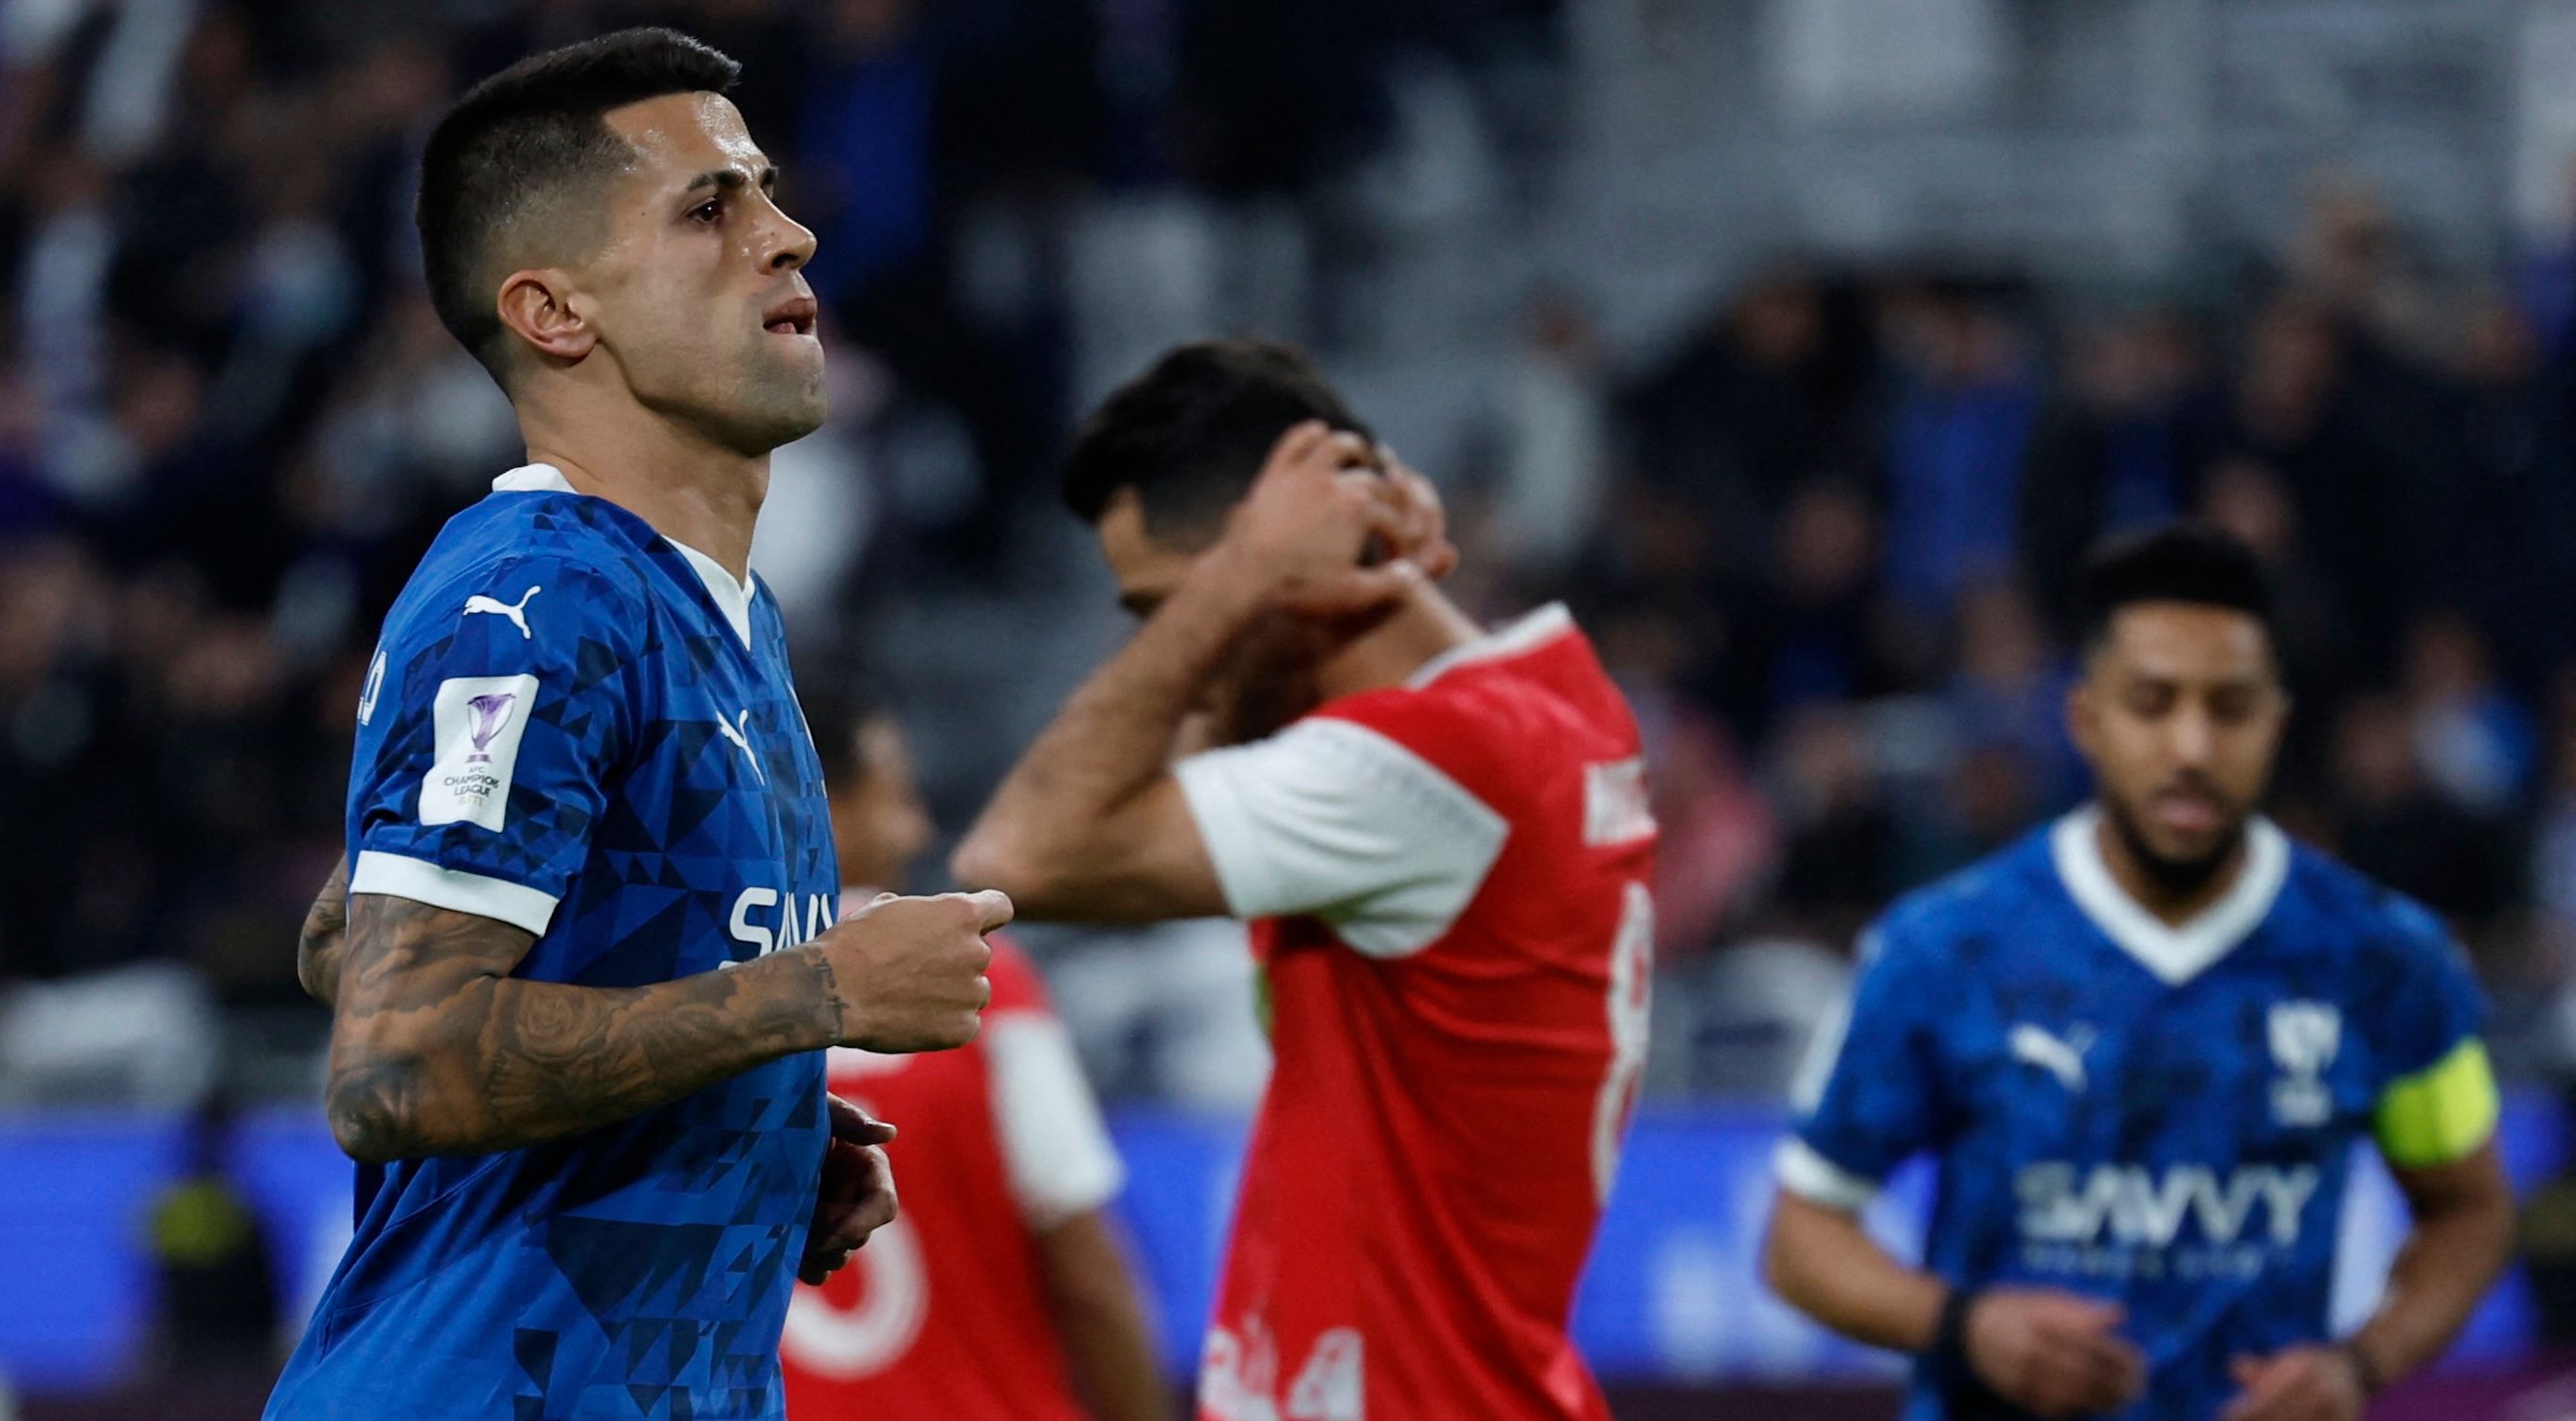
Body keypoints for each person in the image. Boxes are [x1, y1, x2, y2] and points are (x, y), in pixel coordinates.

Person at [267, 30, 1007, 1420]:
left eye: (769, 192)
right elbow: (395, 1056)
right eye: (709, 208)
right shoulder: (532, 602)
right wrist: (819, 995)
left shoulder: (713, 611)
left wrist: (740, 1126)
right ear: (554, 312)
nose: (789, 236)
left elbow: (346, 930)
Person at [954, 339, 1657, 1421]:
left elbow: (1016, 861)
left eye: (1164, 610)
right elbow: (1199, 759)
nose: (1176, 651)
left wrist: (1234, 583)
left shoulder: (1427, 769)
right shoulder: (1549, 707)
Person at [1763, 523, 2515, 1421]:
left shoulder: (2386, 961)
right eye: (2152, 703)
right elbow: (1800, 1233)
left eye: (2229, 708)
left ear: (2275, 723)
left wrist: (2360, 1364)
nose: (2191, 746)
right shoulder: (1945, 949)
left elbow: (2470, 1209)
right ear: (2086, 718)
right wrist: (1965, 1325)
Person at [780, 689, 1170, 1421]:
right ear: (820, 804)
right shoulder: (979, 981)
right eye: (893, 798)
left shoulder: (694, 997)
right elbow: (1085, 1273)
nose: (918, 828)